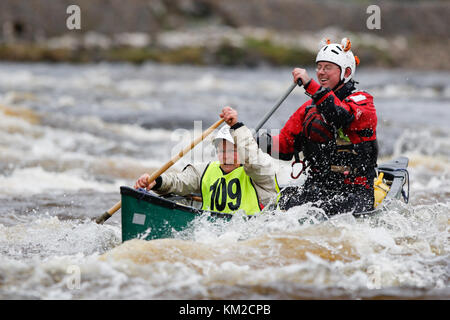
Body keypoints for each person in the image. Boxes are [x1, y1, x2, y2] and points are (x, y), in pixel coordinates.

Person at [258, 37, 378, 215]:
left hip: (354, 192)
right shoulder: (308, 109)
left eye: (327, 67)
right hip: (316, 188)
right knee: (278, 207)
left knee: (316, 212)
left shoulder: (363, 102)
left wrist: (309, 85)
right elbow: (284, 147)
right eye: (319, 67)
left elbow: (340, 115)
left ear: (345, 72)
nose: (321, 72)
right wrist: (252, 141)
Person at [134, 106, 280, 215]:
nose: (226, 156)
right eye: (222, 150)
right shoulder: (205, 171)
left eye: (232, 150)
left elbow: (252, 158)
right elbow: (179, 182)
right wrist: (155, 182)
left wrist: (236, 126)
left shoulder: (260, 173)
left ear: (241, 150)